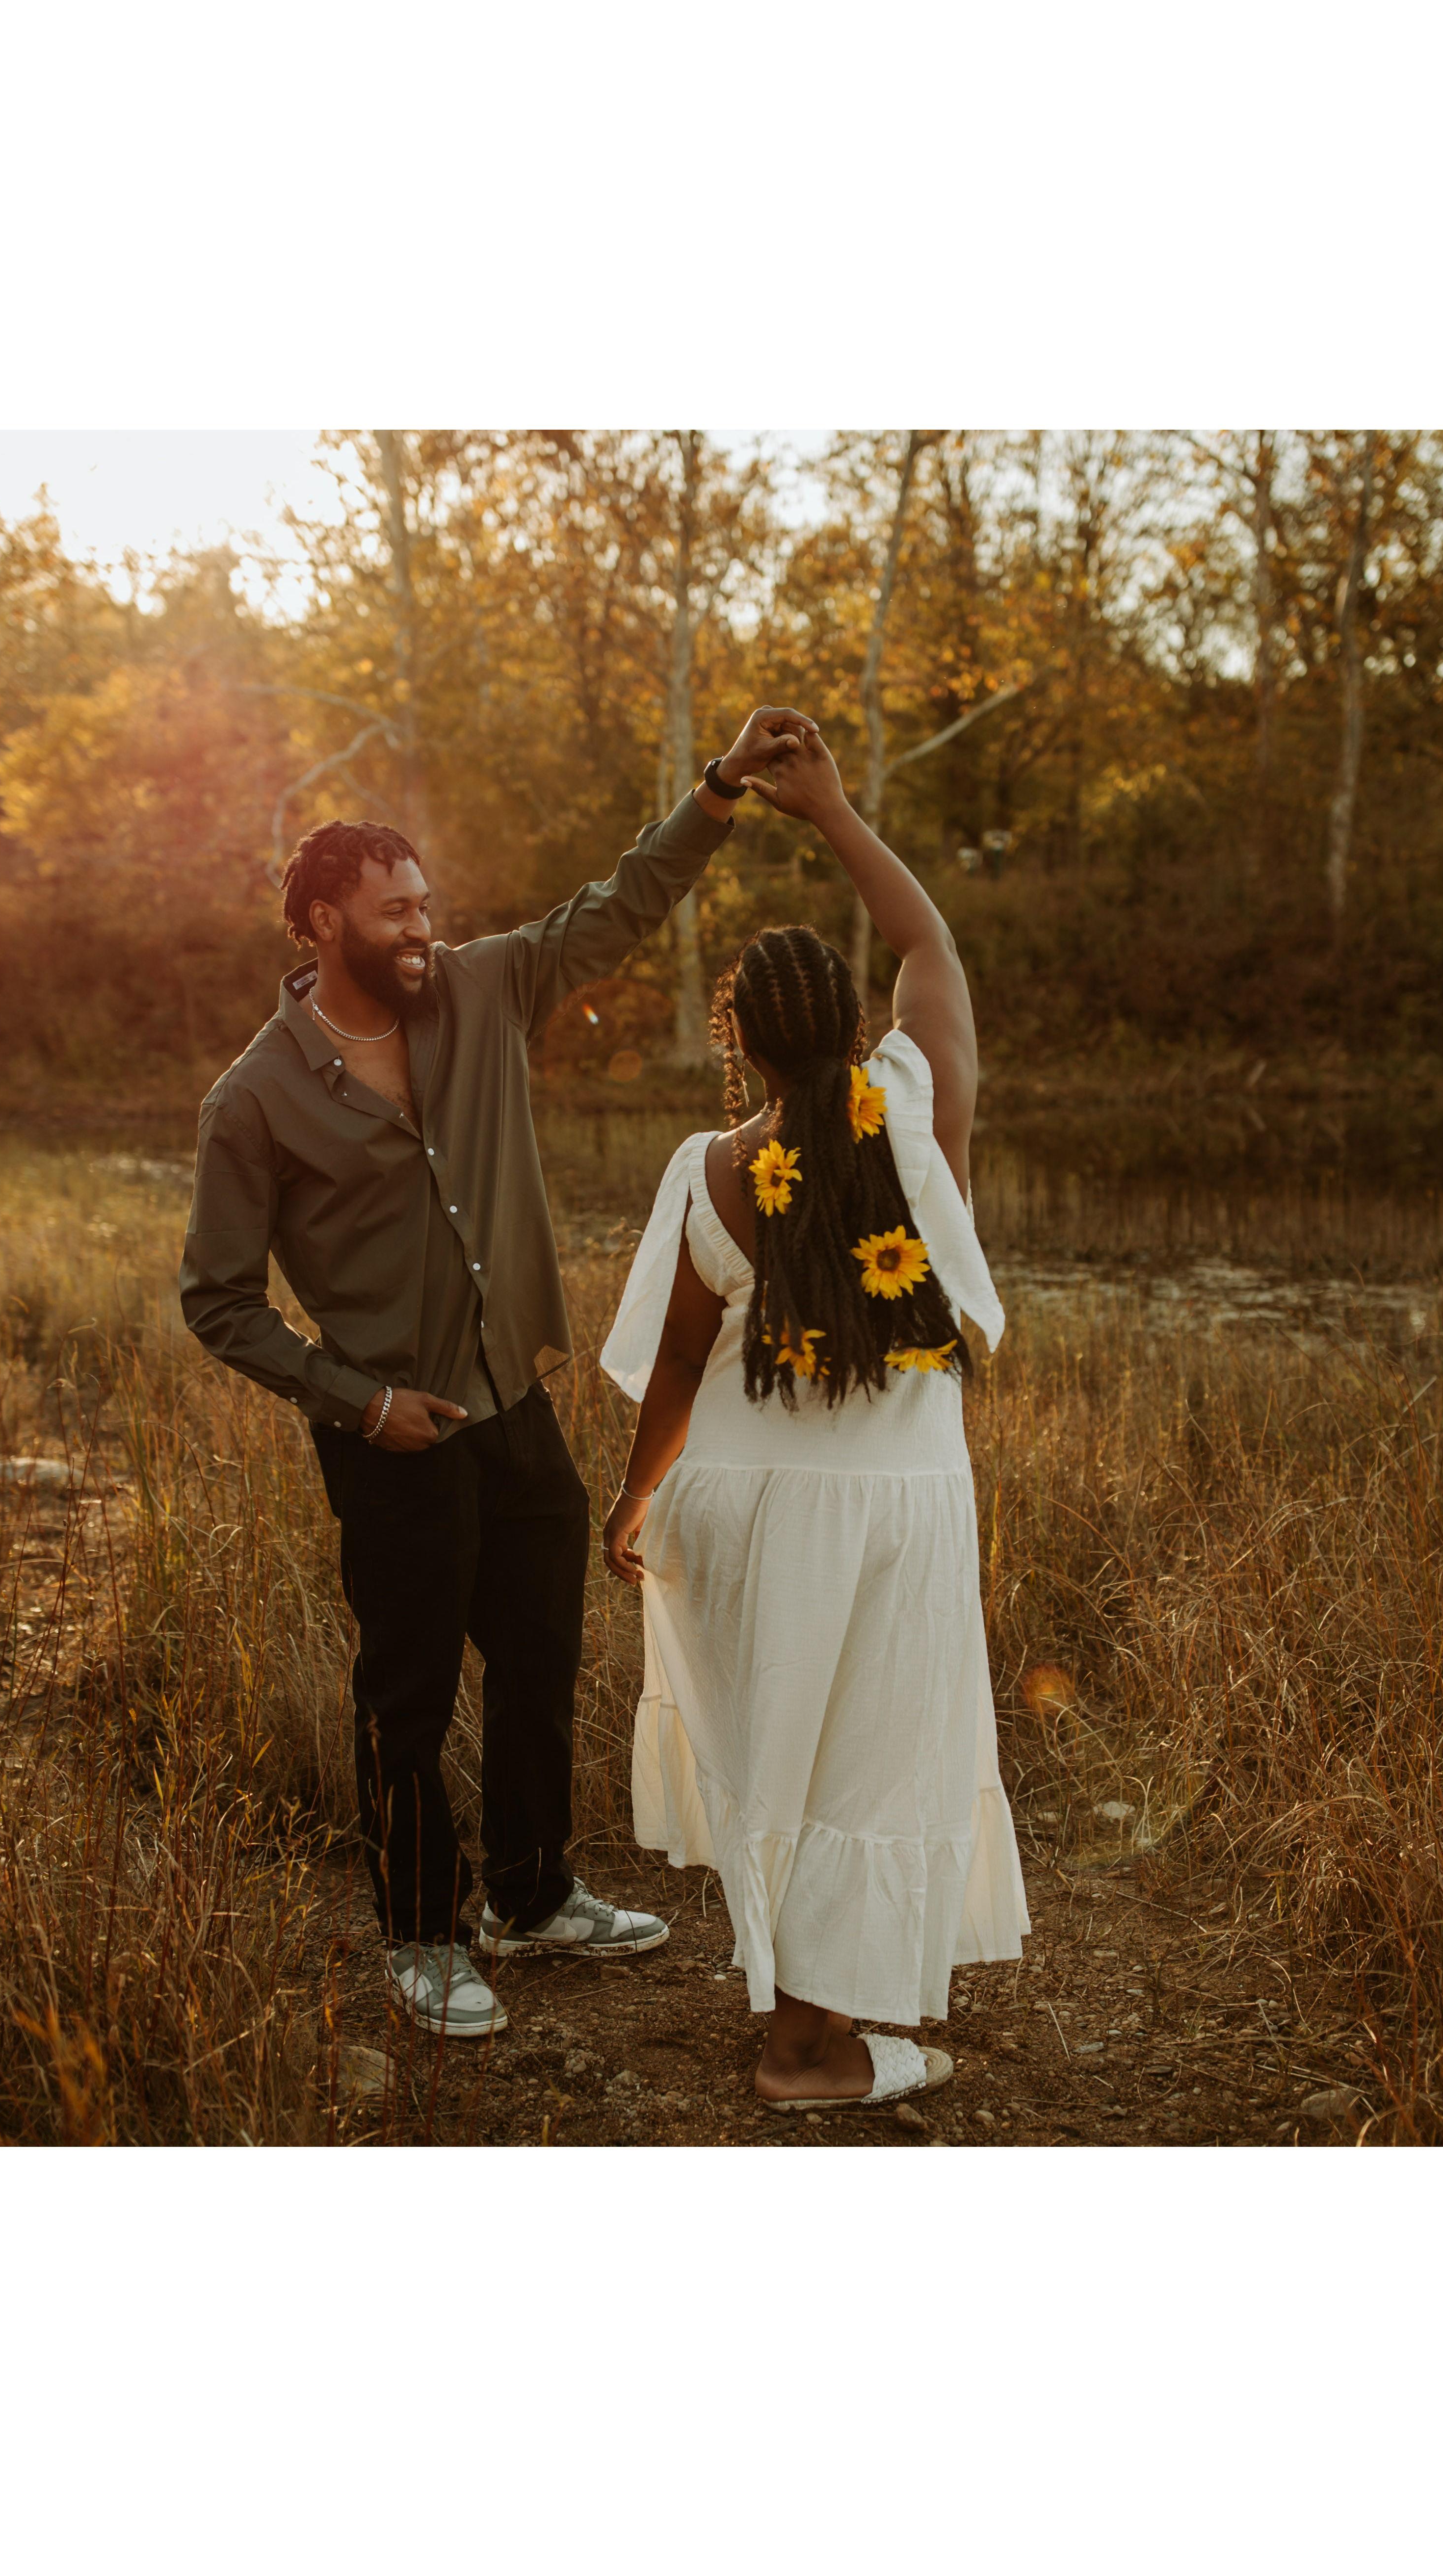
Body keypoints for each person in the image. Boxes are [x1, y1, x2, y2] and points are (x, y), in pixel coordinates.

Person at [180, 708, 814, 2040]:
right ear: (322, 925)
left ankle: (530, 1894)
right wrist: (358, 1402)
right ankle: (421, 1935)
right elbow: (218, 1301)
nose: (422, 928)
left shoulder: (482, 988)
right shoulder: (255, 1099)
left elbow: (616, 907)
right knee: (405, 1694)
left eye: (426, 904)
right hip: (392, 1436)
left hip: (515, 1408)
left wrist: (716, 790)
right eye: (394, 912)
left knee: (538, 1657)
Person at [600, 720, 1029, 2109]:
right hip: (893, 1507)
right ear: (857, 1026)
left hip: (742, 1501)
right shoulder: (915, 1108)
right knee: (871, 1765)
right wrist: (833, 812)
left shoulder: (707, 1167)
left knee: (780, 1757)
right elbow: (929, 943)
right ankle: (806, 2049)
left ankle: (801, 2018)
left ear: (735, 1038)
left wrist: (634, 1496)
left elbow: (677, 1364)